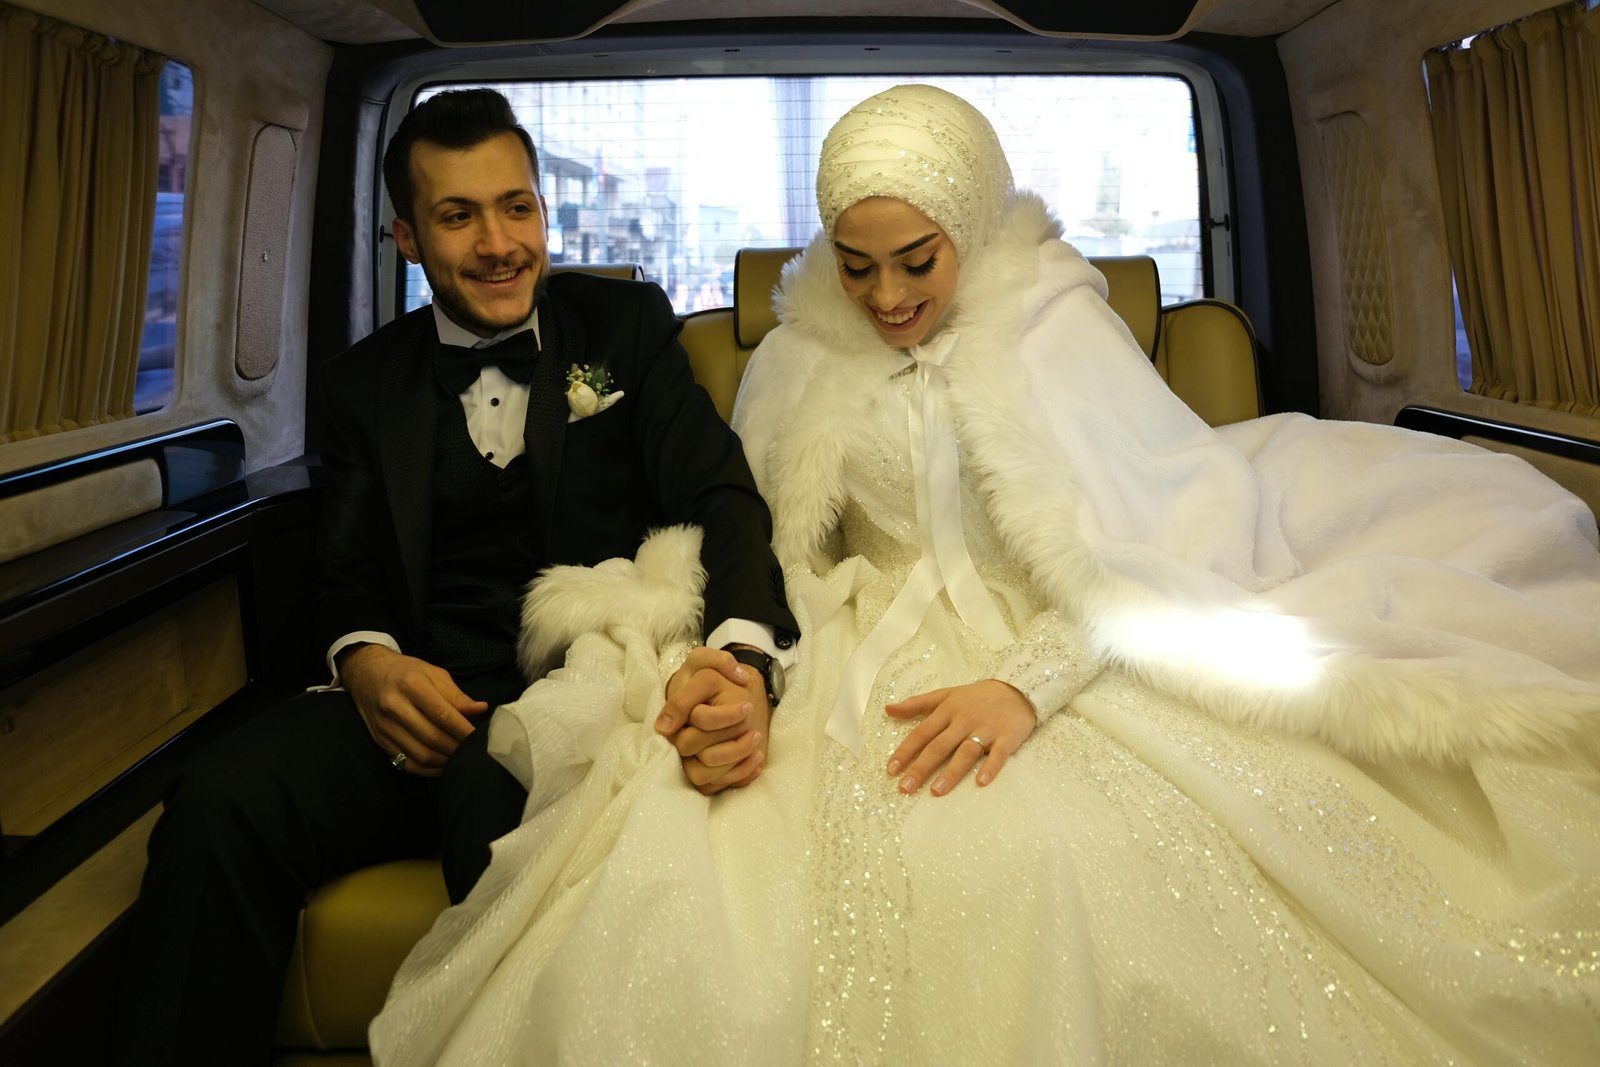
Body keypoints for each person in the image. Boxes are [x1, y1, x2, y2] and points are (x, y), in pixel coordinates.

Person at [370, 85, 1600, 1064]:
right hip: (857, 632)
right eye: (855, 267)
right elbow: (774, 545)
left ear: (964, 223)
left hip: (1061, 629)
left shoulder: (1058, 327)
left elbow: (1144, 545)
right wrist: (743, 665)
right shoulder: (798, 349)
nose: (886, 296)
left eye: (916, 259)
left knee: (1056, 854)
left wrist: (1026, 684)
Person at [112, 88, 796, 1064]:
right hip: (418, 691)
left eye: (516, 206)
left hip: (580, 684)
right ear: (404, 236)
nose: (498, 242)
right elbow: (342, 570)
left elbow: (724, 496)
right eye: (458, 215)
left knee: (496, 800)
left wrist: (741, 655)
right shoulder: (361, 384)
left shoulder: (623, 328)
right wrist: (368, 664)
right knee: (217, 801)